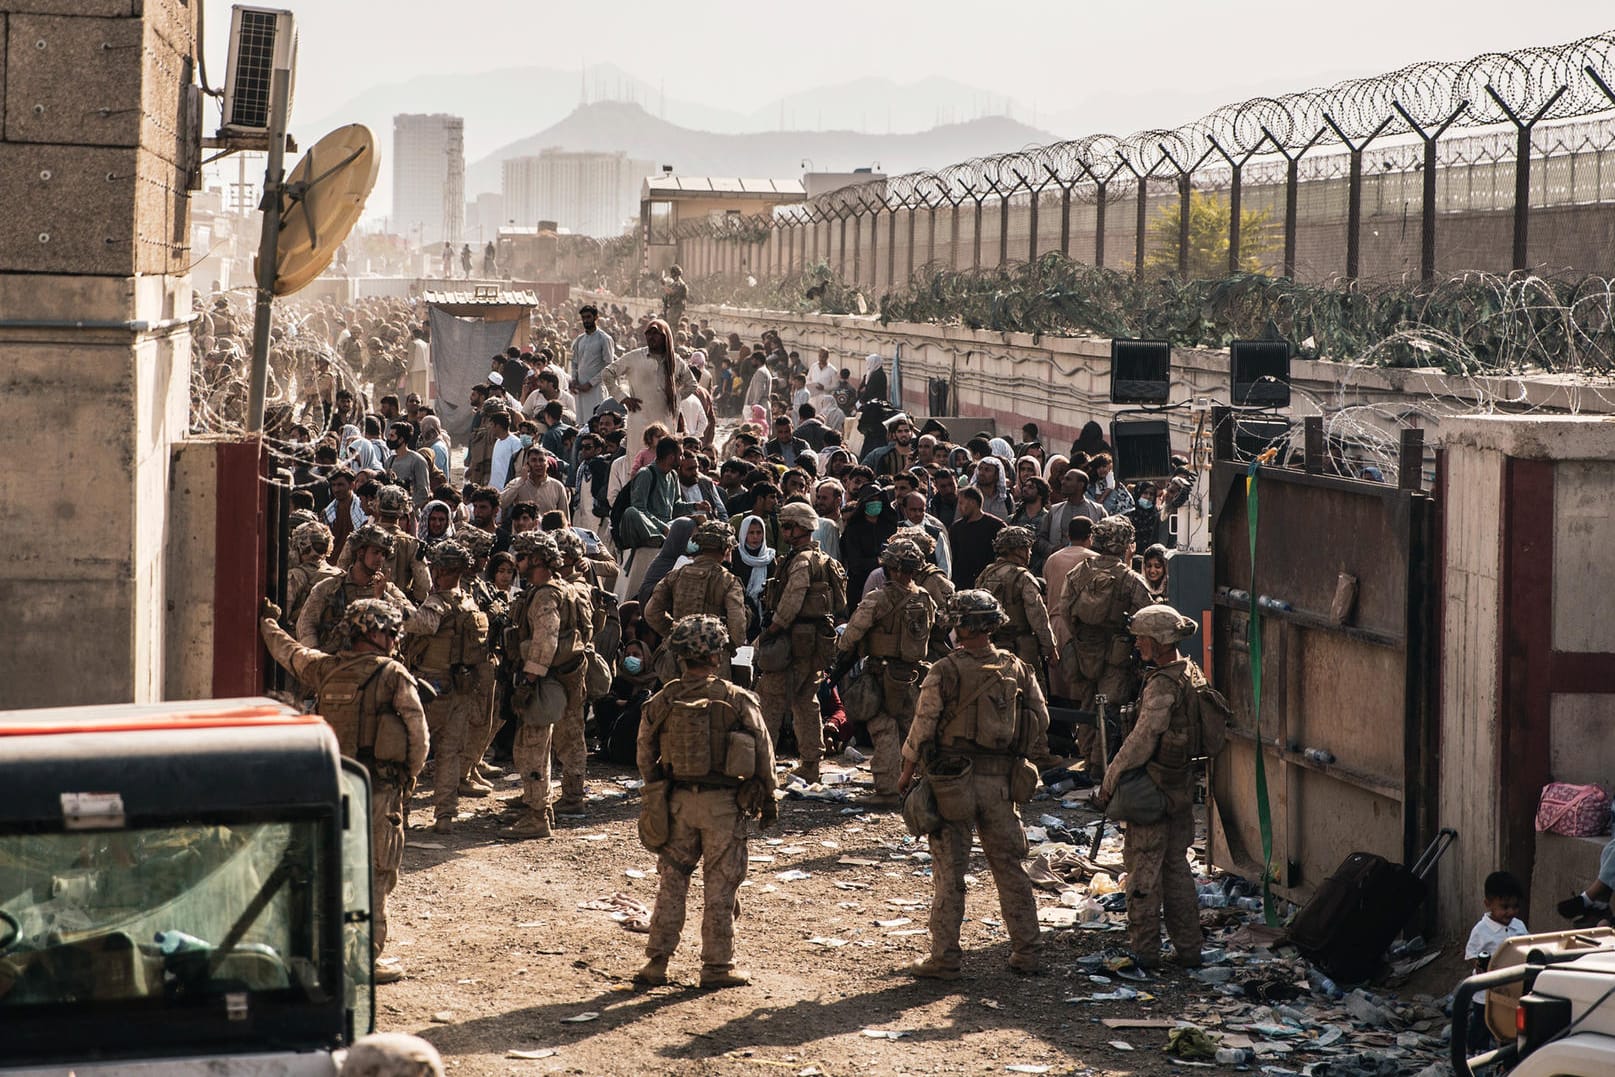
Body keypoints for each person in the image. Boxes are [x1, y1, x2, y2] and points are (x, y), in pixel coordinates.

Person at [259, 597, 427, 983]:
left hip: (333, 787)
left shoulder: (325, 669)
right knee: (376, 875)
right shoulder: (393, 675)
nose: (392, 637)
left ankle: (325, 952)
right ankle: (364, 960)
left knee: (332, 869)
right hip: (379, 789)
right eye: (388, 629)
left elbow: (290, 653)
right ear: (372, 631)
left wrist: (268, 624)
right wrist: (410, 777)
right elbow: (418, 735)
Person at [898, 590, 1050, 979]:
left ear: (961, 626)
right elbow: (1040, 720)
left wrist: (904, 773)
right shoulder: (1017, 668)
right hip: (1000, 784)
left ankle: (944, 957)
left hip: (953, 784)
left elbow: (923, 726)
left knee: (950, 870)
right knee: (1010, 868)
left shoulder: (945, 670)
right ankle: (1028, 952)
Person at [633, 614, 776, 990]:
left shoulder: (663, 700)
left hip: (678, 804)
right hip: (724, 808)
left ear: (679, 656)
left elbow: (645, 754)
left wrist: (658, 793)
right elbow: (764, 753)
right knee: (721, 886)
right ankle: (716, 967)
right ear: (717, 656)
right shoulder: (736, 699)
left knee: (672, 882)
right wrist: (770, 796)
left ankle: (657, 962)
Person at [1091, 604, 1209, 970]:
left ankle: (1145, 952)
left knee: (1143, 871)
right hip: (1180, 790)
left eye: (1142, 638)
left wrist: (1109, 781)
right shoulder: (1190, 672)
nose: (1138, 644)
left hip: (1155, 792)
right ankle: (1189, 950)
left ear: (1159, 641)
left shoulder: (1162, 684)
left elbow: (1141, 741)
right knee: (1176, 870)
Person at [836, 537, 936, 807]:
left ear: (891, 566)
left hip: (882, 674)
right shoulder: (925, 598)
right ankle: (932, 784)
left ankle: (888, 789)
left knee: (883, 728)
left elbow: (850, 636)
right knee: (915, 730)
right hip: (912, 675)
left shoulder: (878, 599)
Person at [398, 540, 489, 835]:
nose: (436, 575)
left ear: (451, 571)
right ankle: (446, 815)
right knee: (450, 753)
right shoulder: (469, 601)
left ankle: (403, 814)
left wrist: (390, 598)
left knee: (414, 751)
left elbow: (418, 624)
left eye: (440, 570)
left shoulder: (438, 603)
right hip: (461, 687)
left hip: (430, 687)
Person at [506, 531, 591, 837]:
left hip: (546, 678)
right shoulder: (564, 589)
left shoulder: (545, 595)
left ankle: (537, 814)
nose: (518, 562)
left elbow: (546, 639)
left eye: (523, 556)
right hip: (568, 673)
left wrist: (528, 680)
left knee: (534, 744)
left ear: (538, 559)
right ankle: (557, 797)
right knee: (568, 736)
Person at [757, 503, 844, 782]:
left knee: (770, 698)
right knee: (806, 701)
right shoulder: (821, 558)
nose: (783, 531)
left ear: (800, 527)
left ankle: (763, 764)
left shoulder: (802, 561)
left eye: (787, 526)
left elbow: (793, 598)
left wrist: (773, 627)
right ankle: (810, 763)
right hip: (813, 642)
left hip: (793, 640)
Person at [1057, 516, 1152, 765]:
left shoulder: (1079, 572)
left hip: (1083, 649)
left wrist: (1081, 634)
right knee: (1111, 709)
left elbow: (1065, 609)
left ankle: (1088, 759)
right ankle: (1103, 766)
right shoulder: (1130, 579)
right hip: (1116, 653)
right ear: (1124, 544)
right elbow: (1147, 615)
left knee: (1088, 706)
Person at [645, 521, 748, 680]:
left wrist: (676, 633)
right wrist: (723, 646)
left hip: (676, 658)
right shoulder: (729, 581)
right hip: (712, 662)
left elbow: (651, 612)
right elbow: (738, 629)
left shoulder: (675, 574)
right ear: (726, 548)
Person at [297, 523, 415, 651]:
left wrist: (382, 597)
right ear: (360, 552)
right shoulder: (329, 587)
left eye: (384, 554)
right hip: (337, 664)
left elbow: (416, 621)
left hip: (375, 665)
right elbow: (306, 624)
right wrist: (317, 658)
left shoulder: (387, 590)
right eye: (376, 552)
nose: (381, 559)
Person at [600, 319, 697, 453]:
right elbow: (607, 373)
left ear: (665, 337)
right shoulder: (634, 357)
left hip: (665, 418)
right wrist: (623, 398)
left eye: (655, 333)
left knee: (663, 457)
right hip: (639, 419)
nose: (651, 337)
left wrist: (675, 397)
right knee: (637, 458)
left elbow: (692, 384)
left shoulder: (675, 361)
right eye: (648, 333)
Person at [973, 526, 1056, 678]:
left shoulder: (986, 574)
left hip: (991, 647)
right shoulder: (1023, 577)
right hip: (1022, 649)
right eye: (1028, 548)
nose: (1030, 553)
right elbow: (1038, 616)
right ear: (1019, 550)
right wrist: (1049, 647)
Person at [1465, 871, 1528, 1052]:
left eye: (1515, 906)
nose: (1510, 912)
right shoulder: (1481, 930)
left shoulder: (1519, 926)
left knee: (1508, 1025)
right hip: (1485, 992)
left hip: (1510, 990)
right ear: (1488, 904)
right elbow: (1472, 956)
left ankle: (1505, 1059)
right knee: (1481, 1024)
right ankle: (1474, 1055)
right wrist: (1480, 968)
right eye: (1505, 906)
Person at [1044, 517, 1097, 700]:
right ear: (1090, 536)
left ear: (1068, 534)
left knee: (1058, 685)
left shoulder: (1052, 559)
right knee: (1080, 686)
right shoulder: (1093, 560)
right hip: (1079, 627)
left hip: (1054, 625)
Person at [948, 488, 1005, 589]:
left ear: (973, 503)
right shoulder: (956, 528)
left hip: (988, 583)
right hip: (962, 585)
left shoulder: (996, 526)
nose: (959, 507)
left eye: (961, 503)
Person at [571, 305, 616, 423]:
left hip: (596, 389)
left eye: (588, 317)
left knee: (596, 420)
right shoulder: (580, 340)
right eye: (583, 318)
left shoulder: (604, 339)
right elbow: (574, 362)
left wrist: (591, 384)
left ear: (596, 317)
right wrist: (574, 380)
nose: (585, 320)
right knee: (581, 422)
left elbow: (608, 366)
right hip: (580, 389)